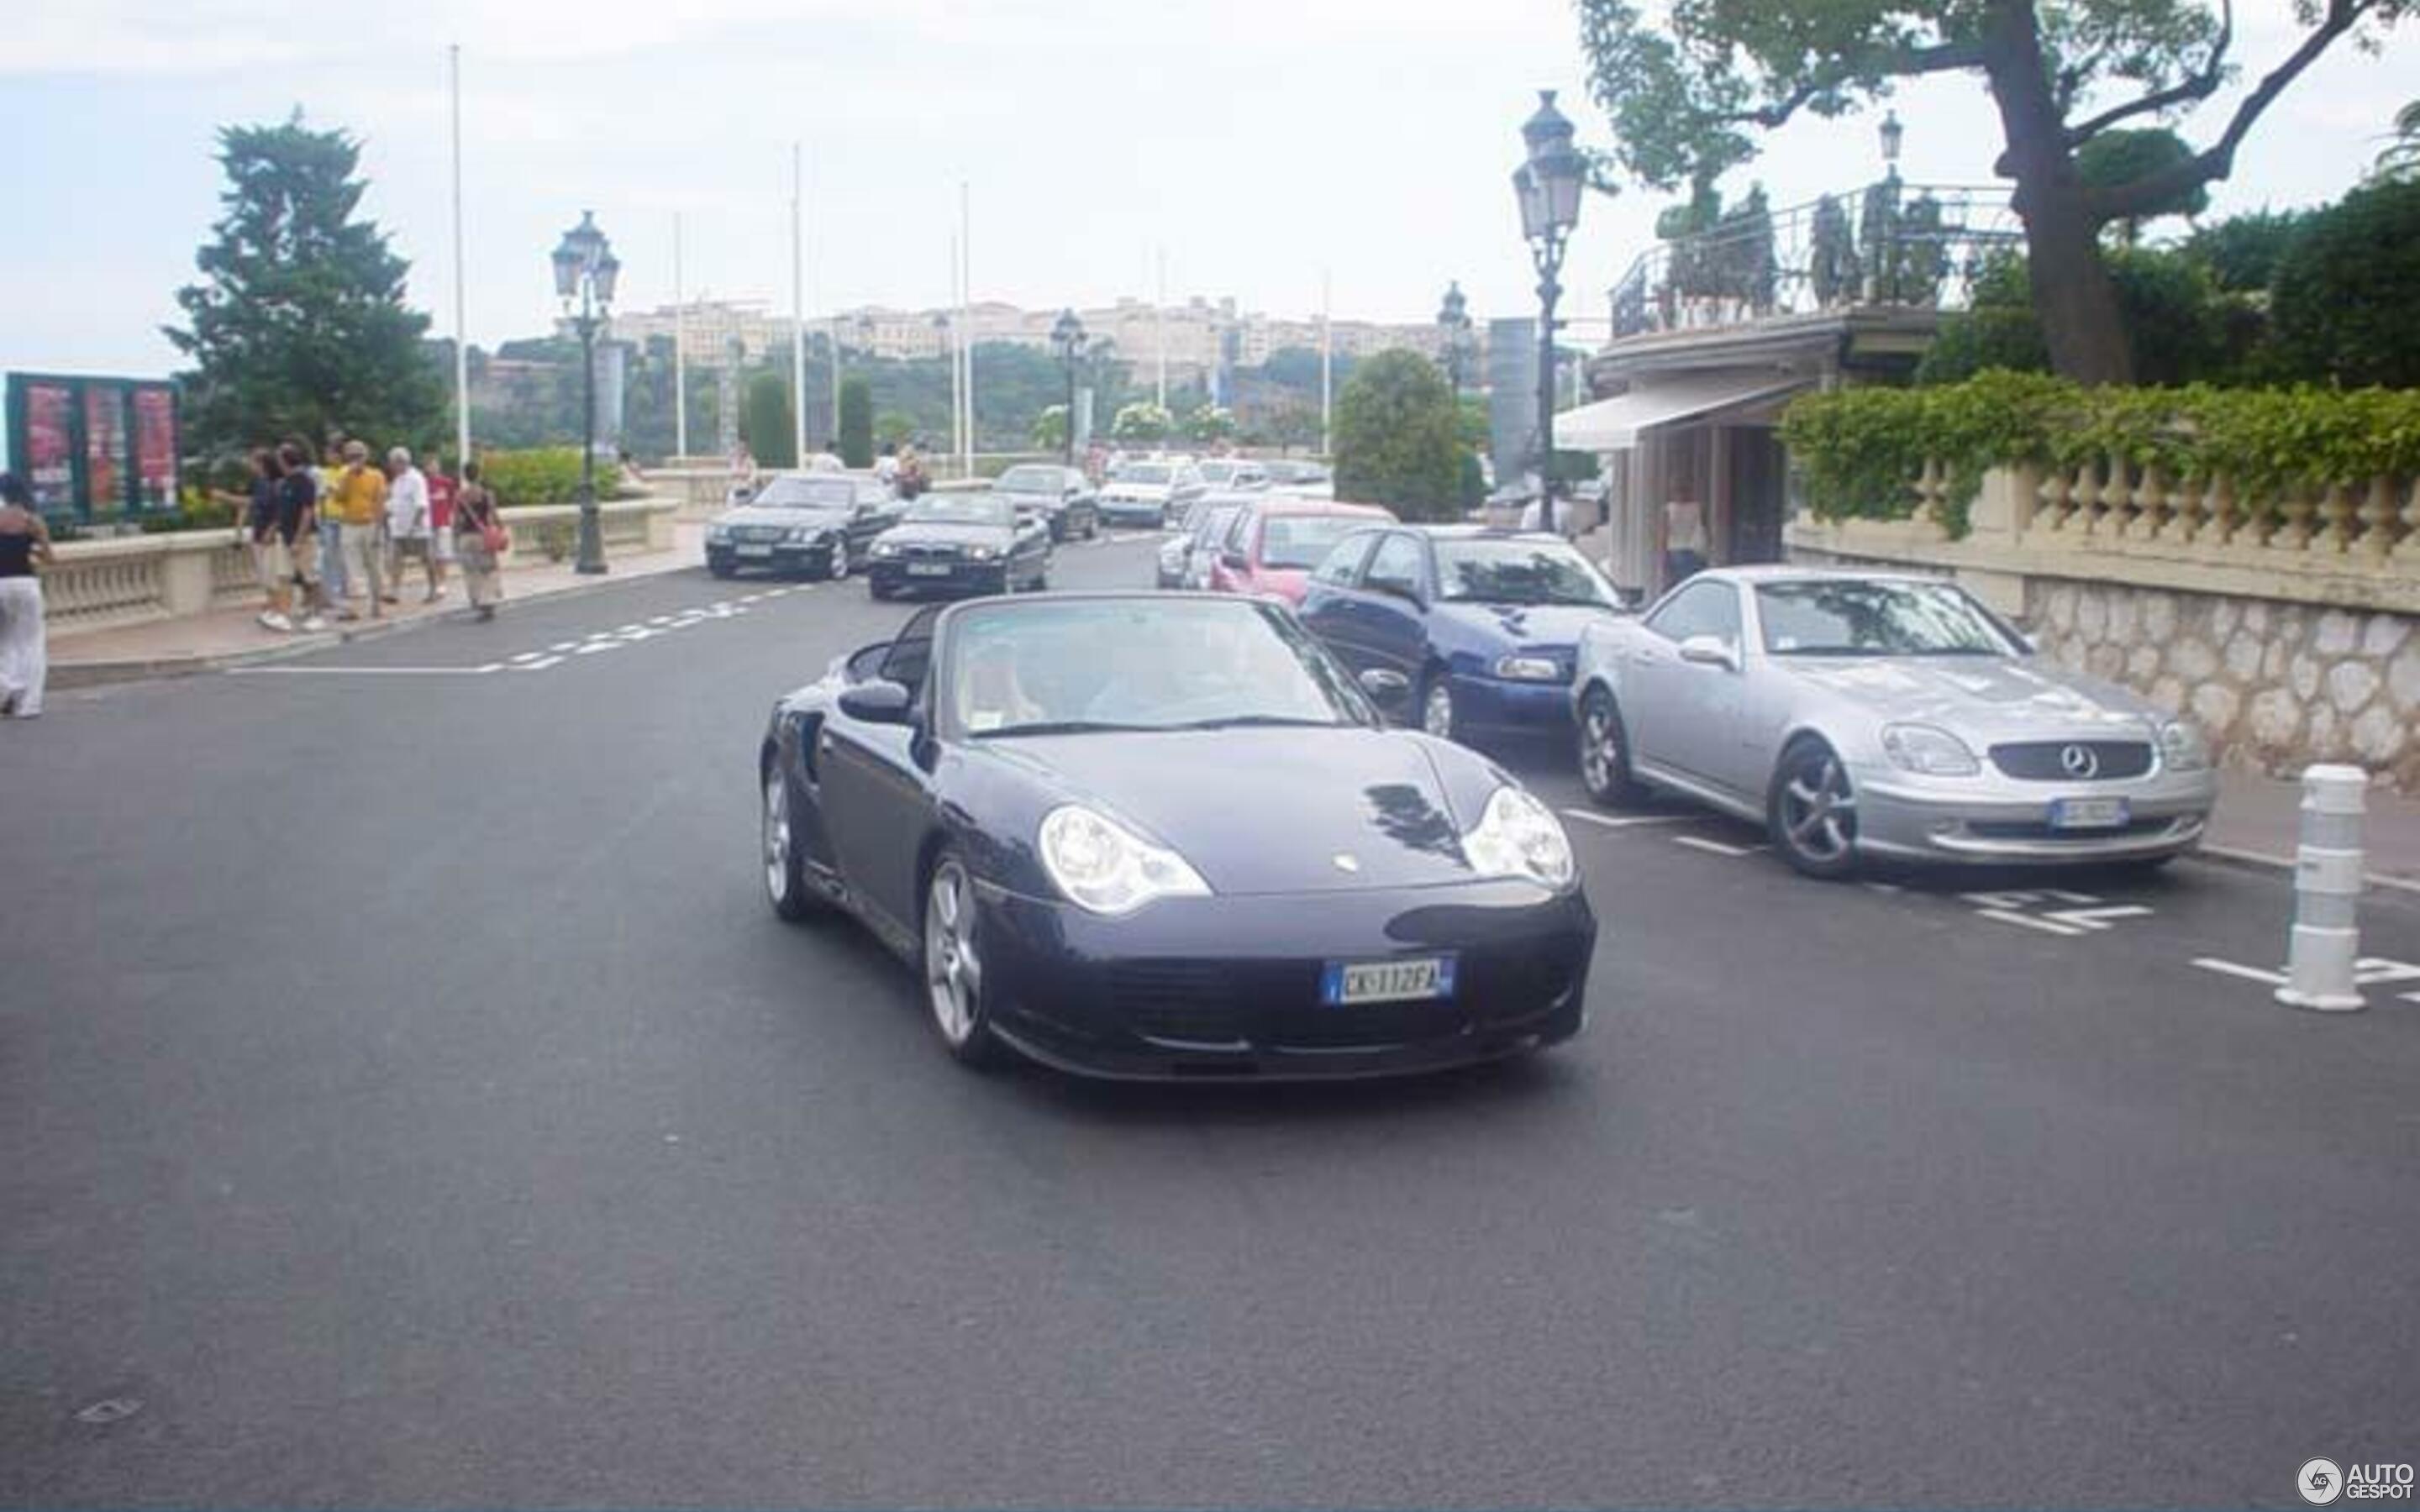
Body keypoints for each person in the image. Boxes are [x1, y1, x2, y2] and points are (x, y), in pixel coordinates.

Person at [216, 449, 292, 630]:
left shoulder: (276, 484)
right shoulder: (258, 483)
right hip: (258, 533)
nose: (249, 465)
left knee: (274, 575)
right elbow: (247, 505)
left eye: (252, 461)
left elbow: (279, 510)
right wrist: (239, 531)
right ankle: (272, 609)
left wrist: (272, 530)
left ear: (261, 464)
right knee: (265, 575)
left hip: (270, 537)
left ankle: (281, 613)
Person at [0, 473, 55, 718]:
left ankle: (8, 687)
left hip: (1, 584)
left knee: (6, 641)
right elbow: (50, 558)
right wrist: (31, 548)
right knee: (32, 643)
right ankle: (29, 704)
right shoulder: (33, 521)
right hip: (26, 582)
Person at [329, 440, 390, 617]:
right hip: (349, 524)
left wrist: (379, 530)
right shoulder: (344, 475)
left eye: (358, 455)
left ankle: (377, 605)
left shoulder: (376, 475)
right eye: (351, 456)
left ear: (366, 456)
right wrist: (347, 477)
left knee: (375, 566)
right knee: (350, 567)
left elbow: (380, 503)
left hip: (370, 525)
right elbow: (340, 498)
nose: (355, 459)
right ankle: (354, 608)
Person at [274, 442, 329, 631]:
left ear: (286, 460)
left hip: (304, 538)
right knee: (284, 576)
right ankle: (283, 615)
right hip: (286, 536)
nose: (278, 463)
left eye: (279, 459)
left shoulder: (305, 481)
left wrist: (299, 539)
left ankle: (317, 615)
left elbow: (307, 512)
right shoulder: (285, 483)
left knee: (311, 577)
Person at [454, 459, 504, 621]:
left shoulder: (460, 495)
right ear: (479, 474)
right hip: (483, 537)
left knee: (471, 572)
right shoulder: (487, 494)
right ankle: (488, 602)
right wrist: (500, 530)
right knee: (488, 570)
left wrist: (456, 537)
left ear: (465, 476)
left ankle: (477, 601)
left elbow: (458, 520)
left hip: (466, 537)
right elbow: (494, 516)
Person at [383, 447, 434, 602]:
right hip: (398, 528)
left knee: (426, 559)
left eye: (393, 463)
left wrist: (415, 526)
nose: (391, 466)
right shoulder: (397, 480)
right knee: (395, 560)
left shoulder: (416, 479)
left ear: (401, 462)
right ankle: (395, 591)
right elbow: (394, 503)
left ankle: (433, 588)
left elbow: (422, 505)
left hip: (417, 530)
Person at [315, 436, 350, 604]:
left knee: (342, 558)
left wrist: (335, 490)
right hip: (328, 520)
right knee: (327, 557)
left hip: (343, 519)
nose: (327, 458)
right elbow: (321, 497)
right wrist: (321, 519)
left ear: (339, 455)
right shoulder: (324, 473)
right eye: (326, 454)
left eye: (330, 454)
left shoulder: (347, 472)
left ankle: (342, 592)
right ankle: (327, 594)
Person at [424, 454, 458, 601]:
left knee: (442, 555)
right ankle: (433, 583)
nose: (433, 467)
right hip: (427, 525)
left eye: (435, 464)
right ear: (426, 468)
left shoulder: (447, 483)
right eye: (430, 465)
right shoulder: (423, 483)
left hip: (443, 523)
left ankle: (442, 583)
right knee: (430, 557)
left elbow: (453, 500)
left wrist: (451, 516)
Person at [1664, 496, 1708, 587]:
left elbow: (1664, 534)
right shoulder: (1698, 508)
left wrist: (1664, 558)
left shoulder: (1669, 509)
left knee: (1680, 584)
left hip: (1676, 550)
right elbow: (1706, 531)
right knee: (1694, 582)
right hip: (1696, 551)